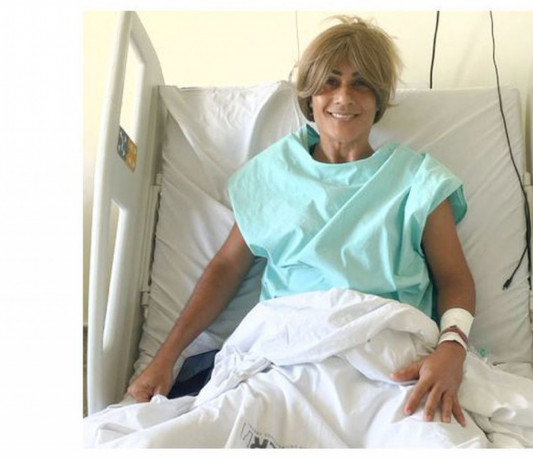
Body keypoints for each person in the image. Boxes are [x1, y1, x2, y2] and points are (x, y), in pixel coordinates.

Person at [127, 16, 476, 427]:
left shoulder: (416, 179)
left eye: (361, 83)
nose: (344, 96)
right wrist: (165, 359)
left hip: (389, 356)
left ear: (379, 98)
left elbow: (454, 278)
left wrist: (452, 348)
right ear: (309, 95)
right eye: (330, 82)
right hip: (289, 349)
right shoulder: (274, 174)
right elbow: (225, 268)